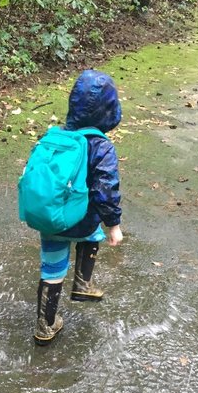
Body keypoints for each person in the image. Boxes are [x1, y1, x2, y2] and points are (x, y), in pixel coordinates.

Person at [34, 69, 123, 346]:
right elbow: (105, 189)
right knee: (92, 232)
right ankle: (83, 284)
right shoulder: (100, 145)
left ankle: (45, 326)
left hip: (51, 218)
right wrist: (114, 225)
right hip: (82, 220)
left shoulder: (55, 137)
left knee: (52, 270)